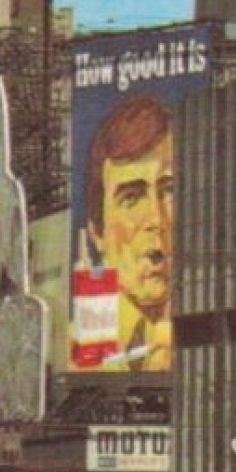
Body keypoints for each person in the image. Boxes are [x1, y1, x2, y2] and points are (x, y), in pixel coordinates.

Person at [80, 94, 175, 372]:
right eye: (131, 198)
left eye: (169, 190)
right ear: (98, 233)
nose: (156, 219)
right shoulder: (84, 342)